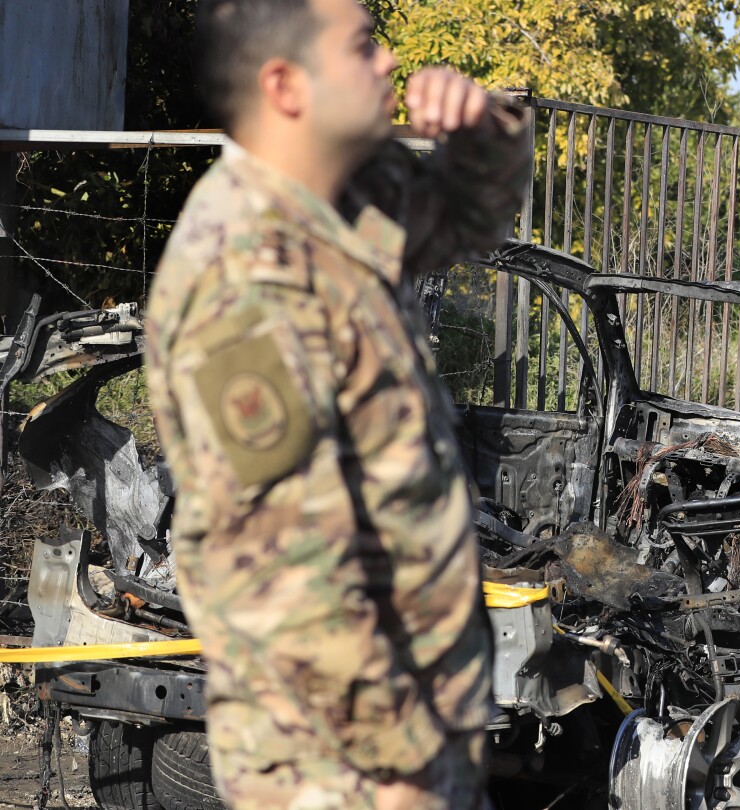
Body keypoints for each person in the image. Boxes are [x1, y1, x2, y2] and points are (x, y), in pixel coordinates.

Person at [144, 0, 529, 806]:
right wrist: (396, 766)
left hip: (418, 730)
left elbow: (474, 219)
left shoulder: (352, 204)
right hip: (338, 763)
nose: (389, 61)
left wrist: (482, 131)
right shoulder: (239, 274)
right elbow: (286, 568)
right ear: (285, 86)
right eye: (362, 46)